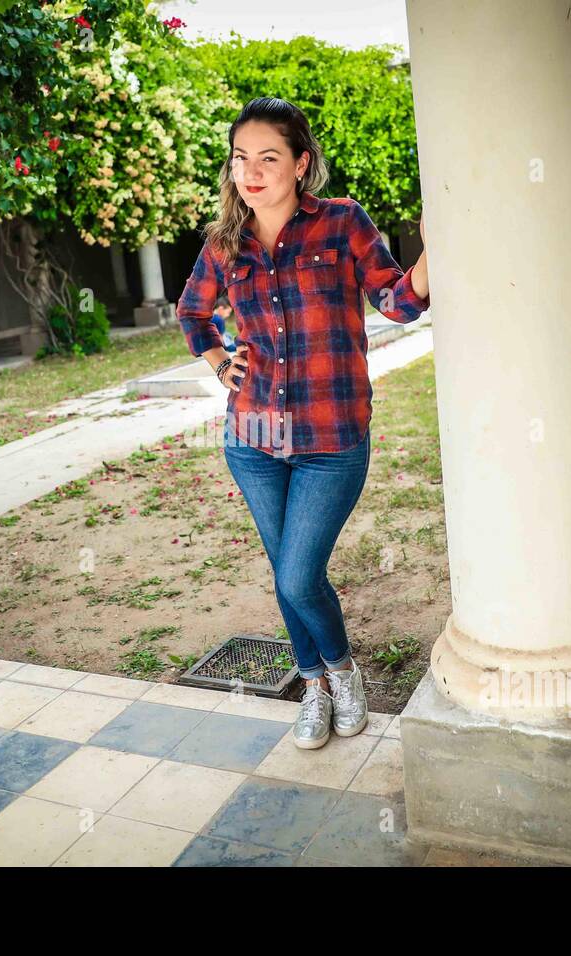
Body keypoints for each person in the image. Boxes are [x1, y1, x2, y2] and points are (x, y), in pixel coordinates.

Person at [174, 96, 430, 749]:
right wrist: (214, 357)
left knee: (297, 574)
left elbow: (398, 303)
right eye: (241, 159)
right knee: (286, 569)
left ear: (300, 163)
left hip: (331, 436)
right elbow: (192, 312)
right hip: (254, 437)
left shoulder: (343, 224)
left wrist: (434, 252)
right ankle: (313, 684)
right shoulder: (224, 245)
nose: (252, 172)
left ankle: (343, 671)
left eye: (269, 157)